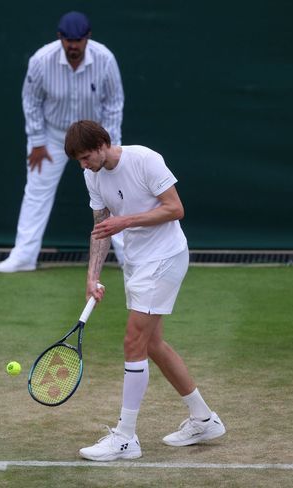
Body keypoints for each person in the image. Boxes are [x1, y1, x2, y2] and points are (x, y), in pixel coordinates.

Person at [64, 120, 226, 461]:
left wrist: (126, 220)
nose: (83, 164)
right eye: (78, 160)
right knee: (153, 344)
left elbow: (175, 208)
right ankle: (204, 419)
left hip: (165, 258)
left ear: (103, 143)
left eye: (86, 156)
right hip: (137, 262)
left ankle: (125, 437)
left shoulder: (145, 160)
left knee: (133, 341)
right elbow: (101, 229)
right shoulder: (91, 176)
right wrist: (91, 276)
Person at [0, 11, 125, 273]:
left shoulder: (105, 59)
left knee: (115, 194)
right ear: (60, 38)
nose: (73, 46)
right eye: (68, 40)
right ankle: (24, 256)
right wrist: (37, 141)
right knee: (36, 192)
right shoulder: (41, 60)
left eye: (78, 40)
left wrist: (107, 145)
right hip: (52, 137)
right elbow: (31, 101)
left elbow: (114, 103)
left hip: (93, 140)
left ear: (87, 38)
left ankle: (127, 258)